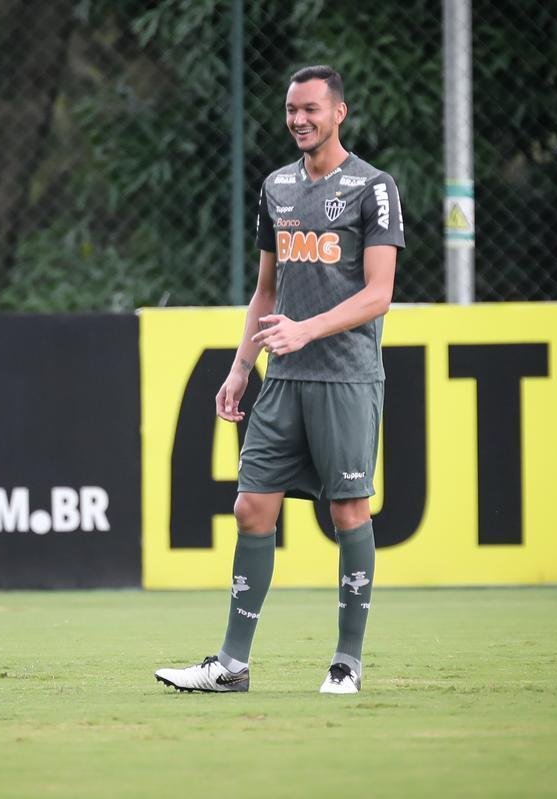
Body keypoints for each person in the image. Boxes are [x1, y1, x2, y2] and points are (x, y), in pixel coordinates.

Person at [154, 65, 404, 694]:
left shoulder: (373, 188)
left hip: (345, 378)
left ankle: (347, 662)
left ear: (339, 113)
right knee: (250, 507)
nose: (299, 119)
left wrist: (307, 330)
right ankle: (231, 664)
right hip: (283, 378)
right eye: (292, 109)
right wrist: (240, 368)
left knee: (348, 511)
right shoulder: (276, 188)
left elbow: (379, 295)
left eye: (311, 109)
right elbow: (266, 289)